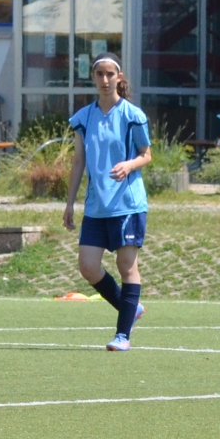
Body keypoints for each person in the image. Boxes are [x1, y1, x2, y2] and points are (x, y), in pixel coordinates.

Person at [63, 55, 152, 351]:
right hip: (96, 207)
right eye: (99, 74)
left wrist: (129, 164)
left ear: (119, 77)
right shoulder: (83, 118)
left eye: (110, 74)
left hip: (127, 204)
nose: (104, 79)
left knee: (126, 266)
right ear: (93, 77)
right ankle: (131, 308)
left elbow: (146, 154)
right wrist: (69, 203)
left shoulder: (132, 115)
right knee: (88, 267)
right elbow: (78, 161)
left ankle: (122, 336)